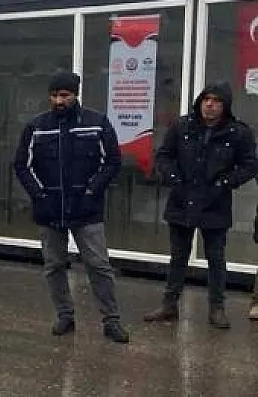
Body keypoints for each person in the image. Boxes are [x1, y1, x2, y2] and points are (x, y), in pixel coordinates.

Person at [13, 71, 130, 343]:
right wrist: (38, 194)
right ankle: (65, 315)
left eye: (64, 95)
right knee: (54, 266)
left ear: (75, 95)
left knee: (99, 266)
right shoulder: (37, 126)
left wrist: (92, 189)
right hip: (49, 209)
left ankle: (111, 320)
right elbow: (21, 165)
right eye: (54, 95)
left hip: (86, 209)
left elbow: (112, 161)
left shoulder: (96, 122)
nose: (58, 100)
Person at [144, 82, 257, 329]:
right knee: (178, 256)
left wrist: (226, 182)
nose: (210, 104)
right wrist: (172, 177)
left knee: (216, 258)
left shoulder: (238, 133)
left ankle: (217, 308)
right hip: (182, 200)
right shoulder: (182, 126)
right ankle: (169, 304)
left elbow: (250, 165)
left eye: (216, 100)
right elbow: (164, 155)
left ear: (224, 105)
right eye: (206, 99)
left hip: (215, 203)